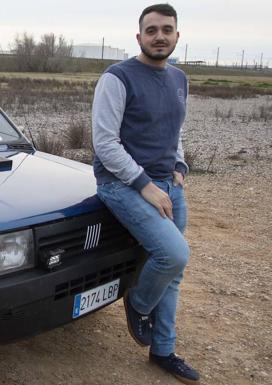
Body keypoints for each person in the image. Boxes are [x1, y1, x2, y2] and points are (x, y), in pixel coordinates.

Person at [92, 4, 199, 384]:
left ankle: (163, 350)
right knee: (173, 254)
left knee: (173, 273)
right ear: (139, 37)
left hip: (169, 185)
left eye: (166, 29)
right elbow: (105, 143)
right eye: (151, 30)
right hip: (122, 185)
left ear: (177, 36)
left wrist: (180, 166)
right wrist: (145, 185)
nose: (159, 36)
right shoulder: (117, 77)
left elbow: (175, 130)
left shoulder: (180, 79)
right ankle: (137, 302)